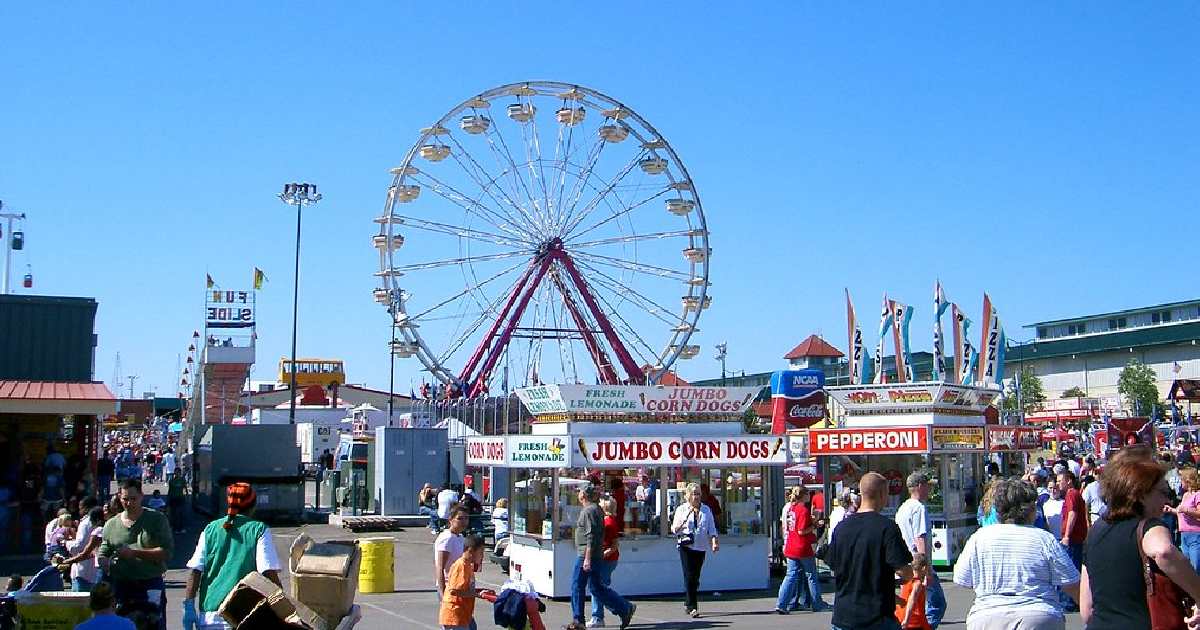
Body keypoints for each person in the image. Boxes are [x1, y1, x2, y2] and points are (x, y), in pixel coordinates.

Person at [1081, 453, 1200, 628]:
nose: (1166, 500)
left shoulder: (1094, 532)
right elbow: (1163, 551)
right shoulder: (1148, 527)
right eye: (1162, 492)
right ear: (1141, 494)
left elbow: (1086, 610)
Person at [953, 478, 1080, 630]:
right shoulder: (1044, 539)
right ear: (1031, 510)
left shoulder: (979, 537)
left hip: (988, 615)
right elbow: (1071, 582)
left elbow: (962, 579)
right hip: (1037, 614)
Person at [183, 483, 282, 630]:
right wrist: (282, 605)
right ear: (253, 506)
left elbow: (196, 571)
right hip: (243, 615)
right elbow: (267, 572)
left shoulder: (210, 529)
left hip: (210, 615)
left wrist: (189, 605)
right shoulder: (258, 530)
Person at [827, 472, 914, 630]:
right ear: (882, 494)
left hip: (844, 616)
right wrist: (910, 573)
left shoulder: (841, 528)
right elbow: (903, 570)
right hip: (876, 617)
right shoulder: (887, 528)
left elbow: (833, 565)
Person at [97, 479, 173, 630]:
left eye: (133, 499)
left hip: (150, 583)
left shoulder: (157, 519)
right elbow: (103, 551)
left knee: (153, 625)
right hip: (121, 586)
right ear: (119, 497)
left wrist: (134, 553)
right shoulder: (111, 524)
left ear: (141, 496)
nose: (129, 503)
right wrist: (104, 561)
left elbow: (166, 552)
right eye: (125, 499)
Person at [566, 484, 635, 630]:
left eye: (580, 492)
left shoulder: (589, 511)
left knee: (577, 586)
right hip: (595, 555)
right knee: (596, 587)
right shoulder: (596, 509)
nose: (578, 494)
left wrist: (587, 558)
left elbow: (591, 535)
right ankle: (624, 608)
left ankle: (578, 621)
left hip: (586, 554)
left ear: (584, 495)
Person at [895, 471, 946, 629]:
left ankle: (910, 624)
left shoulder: (903, 508)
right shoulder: (918, 508)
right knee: (937, 603)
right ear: (919, 486)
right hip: (918, 563)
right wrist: (927, 568)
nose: (928, 490)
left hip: (906, 562)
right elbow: (920, 537)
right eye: (926, 486)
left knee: (913, 600)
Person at [775, 486, 827, 614]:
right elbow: (802, 530)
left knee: (790, 575)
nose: (810, 496)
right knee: (811, 576)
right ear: (803, 495)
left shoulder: (791, 508)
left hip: (791, 545)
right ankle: (817, 603)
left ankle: (782, 603)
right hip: (802, 546)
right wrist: (814, 525)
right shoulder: (803, 510)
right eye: (808, 494)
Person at [670, 482, 718, 619]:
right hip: (686, 546)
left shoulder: (706, 510)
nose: (696, 497)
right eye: (693, 494)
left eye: (698, 494)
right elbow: (674, 529)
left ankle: (687, 601)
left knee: (695, 577)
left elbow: (711, 528)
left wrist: (714, 542)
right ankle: (693, 607)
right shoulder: (682, 509)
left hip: (701, 546)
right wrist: (685, 518)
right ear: (687, 496)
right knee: (689, 575)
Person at [438, 534, 489, 630]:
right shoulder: (461, 566)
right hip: (454, 614)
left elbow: (465, 587)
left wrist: (481, 591)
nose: (482, 556)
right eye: (481, 552)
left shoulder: (468, 566)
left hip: (462, 615)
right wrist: (477, 594)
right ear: (470, 551)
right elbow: (455, 591)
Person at [588, 496, 622, 628]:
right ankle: (612, 610)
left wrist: (602, 555)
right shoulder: (607, 521)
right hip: (607, 560)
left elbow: (614, 546)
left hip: (607, 560)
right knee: (599, 587)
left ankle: (599, 615)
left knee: (597, 587)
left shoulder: (609, 523)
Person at [58, 506, 106, 592]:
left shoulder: (98, 531)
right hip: (101, 571)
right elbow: (91, 554)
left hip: (95, 573)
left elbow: (84, 553)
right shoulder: (107, 529)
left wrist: (67, 561)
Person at [434, 506, 471, 602]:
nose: (464, 522)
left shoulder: (460, 537)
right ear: (451, 520)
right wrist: (443, 594)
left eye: (466, 518)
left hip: (459, 585)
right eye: (459, 518)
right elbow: (440, 567)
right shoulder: (447, 538)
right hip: (449, 587)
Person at [1056, 471, 1087, 573]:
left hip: (1073, 539)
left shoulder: (1071, 494)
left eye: (1060, 481)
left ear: (1068, 480)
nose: (1058, 483)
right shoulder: (1073, 494)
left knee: (1072, 571)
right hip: (1076, 539)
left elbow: (1072, 513)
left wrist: (1067, 536)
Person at [1171, 467, 1200, 571]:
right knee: (1187, 567)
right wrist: (1171, 510)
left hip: (1195, 535)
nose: (1180, 482)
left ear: (1188, 481)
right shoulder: (1185, 495)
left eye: (1181, 479)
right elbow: (1181, 512)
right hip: (1183, 534)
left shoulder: (1197, 495)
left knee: (1195, 567)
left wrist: (1186, 509)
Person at [896, 554, 933, 630]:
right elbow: (911, 600)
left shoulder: (906, 579)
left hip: (900, 615)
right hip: (913, 619)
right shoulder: (917, 584)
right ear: (924, 568)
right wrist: (906, 620)